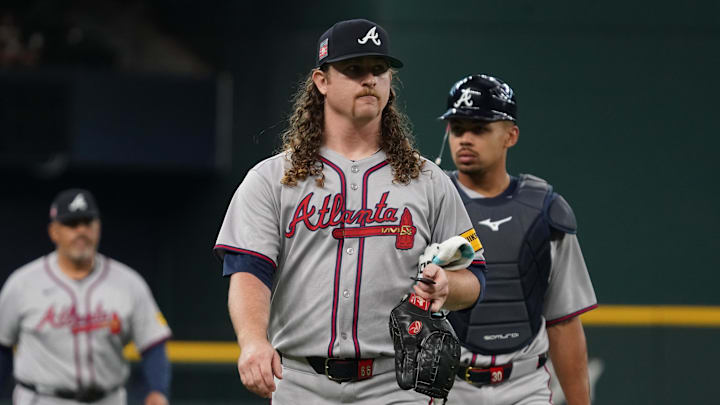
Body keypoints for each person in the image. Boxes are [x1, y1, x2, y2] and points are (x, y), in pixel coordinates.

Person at [213, 18, 486, 405]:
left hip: (397, 381)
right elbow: (248, 271)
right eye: (354, 69)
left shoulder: (428, 180)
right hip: (300, 379)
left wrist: (448, 286)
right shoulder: (273, 178)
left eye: (379, 70)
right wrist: (254, 342)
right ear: (322, 81)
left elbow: (475, 276)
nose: (369, 79)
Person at [435, 74, 598, 405]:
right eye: (457, 128)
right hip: (447, 385)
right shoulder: (428, 202)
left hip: (525, 386)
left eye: (479, 129)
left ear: (511, 135)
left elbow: (564, 322)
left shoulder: (544, 211)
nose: (465, 139)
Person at [0, 189, 172, 405]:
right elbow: (3, 347)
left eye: (88, 223)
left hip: (107, 398)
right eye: (72, 224)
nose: (81, 231)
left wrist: (158, 389)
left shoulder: (129, 283)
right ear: (54, 232)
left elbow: (153, 344)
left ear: (98, 227)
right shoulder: (23, 283)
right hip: (42, 398)